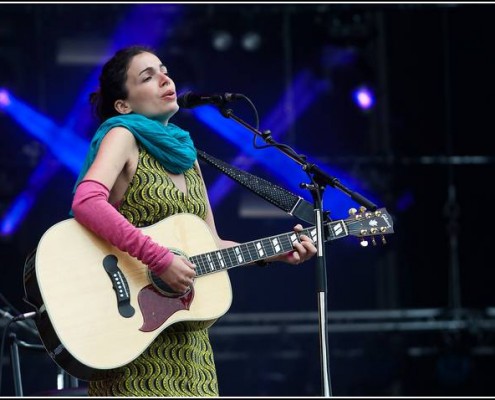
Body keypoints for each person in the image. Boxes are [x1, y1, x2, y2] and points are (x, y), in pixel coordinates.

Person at [70, 44, 317, 397]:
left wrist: (274, 252)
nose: (164, 78)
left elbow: (211, 245)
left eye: (163, 70)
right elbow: (87, 202)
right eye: (148, 76)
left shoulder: (188, 158)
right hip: (133, 338)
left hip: (191, 350)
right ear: (123, 105)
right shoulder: (122, 135)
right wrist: (159, 258)